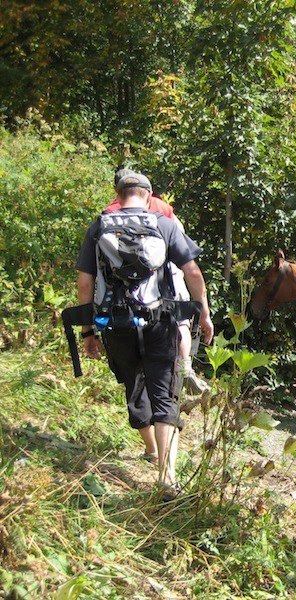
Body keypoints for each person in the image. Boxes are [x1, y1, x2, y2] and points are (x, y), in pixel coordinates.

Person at [76, 171, 213, 498]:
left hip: (116, 324)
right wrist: (203, 312)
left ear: (119, 194)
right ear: (149, 195)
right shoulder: (163, 224)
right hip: (159, 321)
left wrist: (88, 331)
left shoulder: (99, 226)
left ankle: (150, 448)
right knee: (165, 391)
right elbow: (192, 272)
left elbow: (84, 284)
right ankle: (166, 476)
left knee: (133, 381)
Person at [106, 168, 208, 397]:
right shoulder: (161, 207)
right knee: (180, 316)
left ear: (117, 189)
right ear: (146, 190)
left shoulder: (110, 212)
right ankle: (185, 366)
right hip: (168, 268)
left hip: (126, 286)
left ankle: (141, 374)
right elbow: (181, 238)